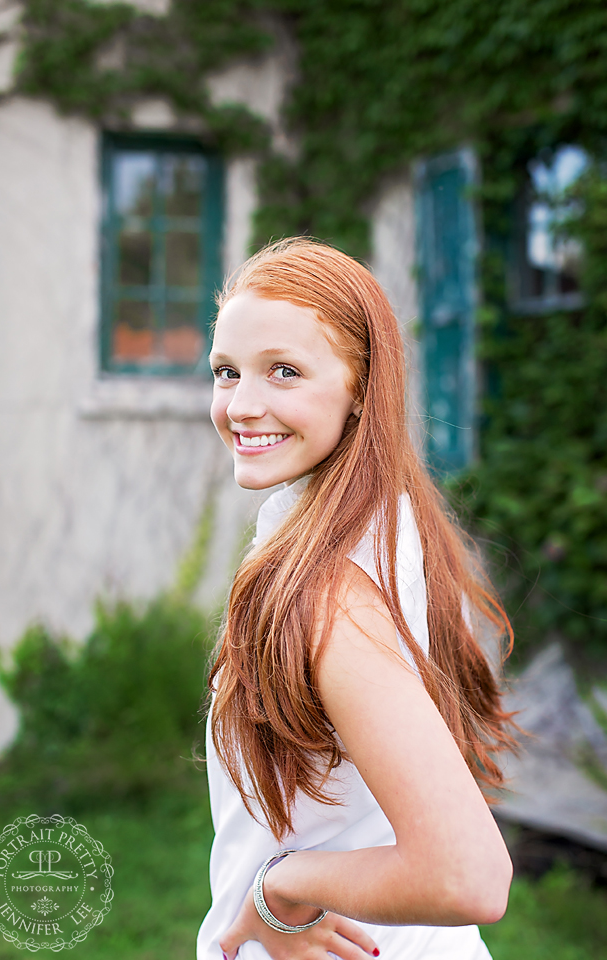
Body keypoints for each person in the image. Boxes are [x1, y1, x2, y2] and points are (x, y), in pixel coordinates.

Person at [197, 239, 516, 960]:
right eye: (226, 372)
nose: (242, 405)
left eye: (285, 371)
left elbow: (468, 875)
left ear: (362, 392)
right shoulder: (377, 524)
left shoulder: (329, 592)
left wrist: (278, 888)